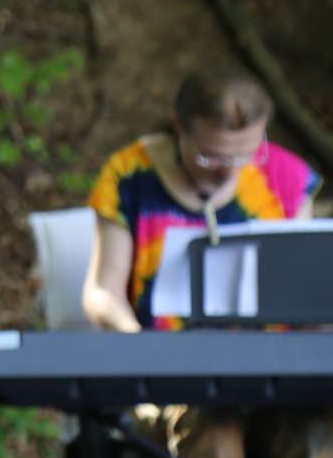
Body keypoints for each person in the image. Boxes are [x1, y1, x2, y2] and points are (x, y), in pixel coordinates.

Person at [82, 69, 326, 457]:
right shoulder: (130, 175)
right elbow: (101, 292)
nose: (229, 168)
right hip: (173, 382)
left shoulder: (286, 179)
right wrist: (137, 343)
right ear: (179, 126)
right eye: (210, 154)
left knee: (314, 433)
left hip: (274, 378)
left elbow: (304, 303)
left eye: (246, 154)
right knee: (214, 432)